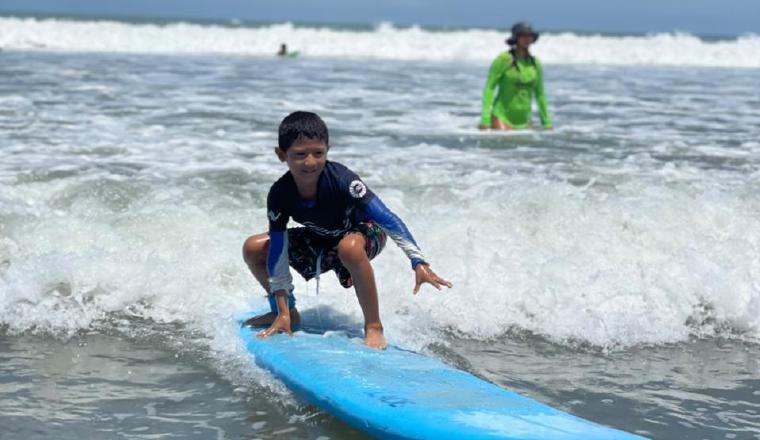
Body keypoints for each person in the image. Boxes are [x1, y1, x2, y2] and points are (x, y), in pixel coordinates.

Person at [242, 111, 452, 349]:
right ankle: (286, 314)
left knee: (350, 247)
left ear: (327, 150)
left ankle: (374, 326)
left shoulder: (343, 181)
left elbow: (386, 218)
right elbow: (278, 252)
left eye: (318, 153)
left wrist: (417, 261)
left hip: (365, 233)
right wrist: (281, 308)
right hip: (320, 237)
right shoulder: (280, 193)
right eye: (300, 155)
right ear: (281, 155)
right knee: (254, 247)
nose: (310, 162)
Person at [479, 22, 553, 131]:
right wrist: (485, 119)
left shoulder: (535, 63)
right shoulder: (504, 59)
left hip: (525, 120)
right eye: (523, 35)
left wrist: (547, 122)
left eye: (529, 36)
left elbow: (540, 94)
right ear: (516, 37)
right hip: (502, 117)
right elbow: (489, 88)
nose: (527, 38)